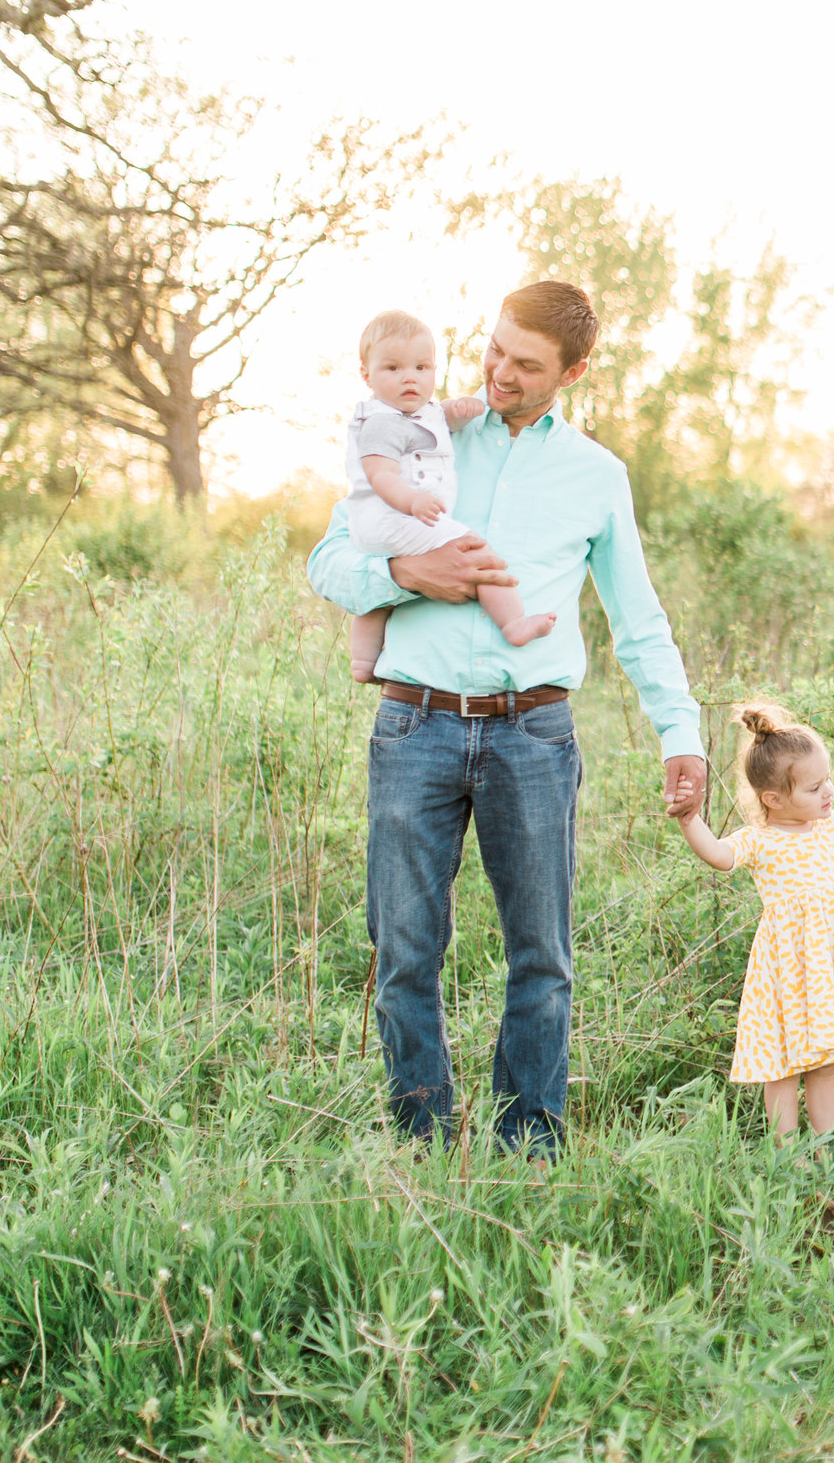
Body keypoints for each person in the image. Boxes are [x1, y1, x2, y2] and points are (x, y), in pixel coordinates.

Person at [306, 281, 710, 1155]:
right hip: (414, 728)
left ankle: (528, 1145)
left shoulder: (599, 476)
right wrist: (405, 578)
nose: (499, 372)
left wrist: (682, 735)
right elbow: (330, 560)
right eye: (493, 349)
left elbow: (639, 623)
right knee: (405, 949)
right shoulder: (422, 432)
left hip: (533, 735)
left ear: (573, 370)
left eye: (526, 364)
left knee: (543, 955)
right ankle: (419, 1139)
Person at [675, 704, 834, 1143]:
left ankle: (827, 1148)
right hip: (787, 968)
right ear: (773, 799)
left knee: (825, 1060)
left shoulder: (829, 826)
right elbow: (718, 856)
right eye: (813, 787)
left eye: (827, 779)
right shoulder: (759, 841)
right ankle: (786, 1153)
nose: (828, 791)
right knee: (783, 1063)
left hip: (828, 964)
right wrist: (689, 820)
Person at [340, 309, 554, 682]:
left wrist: (457, 412)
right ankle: (514, 622)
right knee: (476, 554)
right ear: (366, 375)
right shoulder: (380, 423)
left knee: (379, 592)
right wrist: (412, 501)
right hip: (396, 515)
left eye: (422, 368)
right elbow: (380, 475)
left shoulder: (422, 412)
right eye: (393, 369)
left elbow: (439, 424)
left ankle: (362, 663)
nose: (410, 377)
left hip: (388, 528)